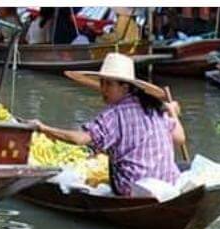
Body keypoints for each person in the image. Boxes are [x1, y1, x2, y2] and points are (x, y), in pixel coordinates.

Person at [30, 53, 185, 197]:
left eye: (109, 84)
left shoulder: (114, 114)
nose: (103, 89)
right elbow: (179, 139)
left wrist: (43, 128)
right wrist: (172, 113)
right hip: (169, 183)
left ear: (124, 87)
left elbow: (80, 139)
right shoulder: (153, 107)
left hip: (135, 189)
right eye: (102, 83)